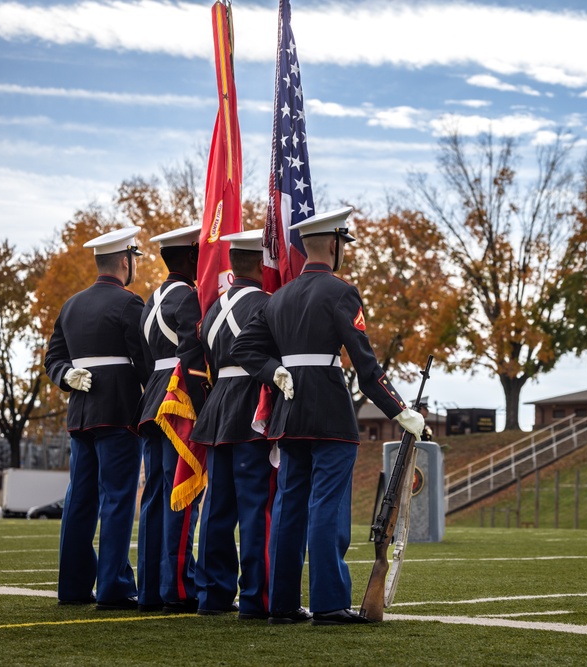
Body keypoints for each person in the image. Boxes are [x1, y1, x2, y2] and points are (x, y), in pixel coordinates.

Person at [231, 206, 425, 626]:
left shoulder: (277, 296)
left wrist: (275, 371)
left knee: (288, 506)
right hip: (329, 411)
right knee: (326, 507)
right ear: (334, 245)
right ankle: (328, 603)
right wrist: (400, 409)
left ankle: (281, 604)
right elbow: (366, 367)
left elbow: (242, 351)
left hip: (289, 410)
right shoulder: (341, 292)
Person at [44, 227, 150, 610]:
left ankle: (73, 587)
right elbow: (145, 363)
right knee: (118, 500)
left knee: (80, 501)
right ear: (125, 261)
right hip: (119, 413)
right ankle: (114, 588)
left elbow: (52, 358)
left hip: (81, 415)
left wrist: (65, 376)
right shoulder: (129, 303)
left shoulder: (71, 305)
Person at [190, 229, 275, 619]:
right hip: (249, 407)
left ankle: (213, 595)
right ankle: (257, 597)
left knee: (218, 509)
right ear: (261, 263)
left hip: (217, 406)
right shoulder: (267, 305)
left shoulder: (212, 308)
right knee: (256, 507)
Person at [135, 226, 210, 614]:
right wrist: (205, 406)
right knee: (181, 497)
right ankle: (179, 588)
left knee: (154, 500)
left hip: (152, 401)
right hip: (179, 401)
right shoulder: (190, 297)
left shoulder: (151, 299)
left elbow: (146, 360)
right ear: (189, 257)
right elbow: (193, 357)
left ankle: (150, 589)